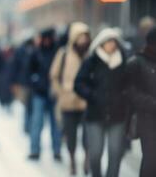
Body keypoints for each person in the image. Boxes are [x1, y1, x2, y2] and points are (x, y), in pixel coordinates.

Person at [74, 28, 129, 177]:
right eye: (109, 42)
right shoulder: (91, 61)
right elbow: (79, 83)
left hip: (118, 115)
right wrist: (92, 95)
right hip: (95, 114)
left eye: (114, 42)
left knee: (115, 153)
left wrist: (124, 97)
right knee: (95, 153)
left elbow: (131, 84)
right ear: (101, 43)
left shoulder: (124, 60)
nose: (112, 45)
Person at [50, 22, 91, 175]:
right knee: (70, 135)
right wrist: (60, 92)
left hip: (86, 101)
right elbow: (54, 75)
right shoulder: (64, 53)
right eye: (80, 36)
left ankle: (87, 159)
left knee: (88, 134)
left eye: (85, 37)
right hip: (68, 102)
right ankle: (72, 160)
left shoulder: (90, 54)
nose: (83, 40)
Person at [27, 28, 62, 161]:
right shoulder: (36, 53)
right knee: (37, 122)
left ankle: (57, 150)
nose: (47, 41)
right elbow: (29, 70)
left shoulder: (57, 52)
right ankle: (34, 149)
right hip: (39, 92)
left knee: (56, 123)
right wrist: (35, 82)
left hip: (54, 92)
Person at [125, 27, 156, 177]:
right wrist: (150, 103)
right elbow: (129, 91)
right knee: (151, 161)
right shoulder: (137, 62)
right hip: (147, 120)